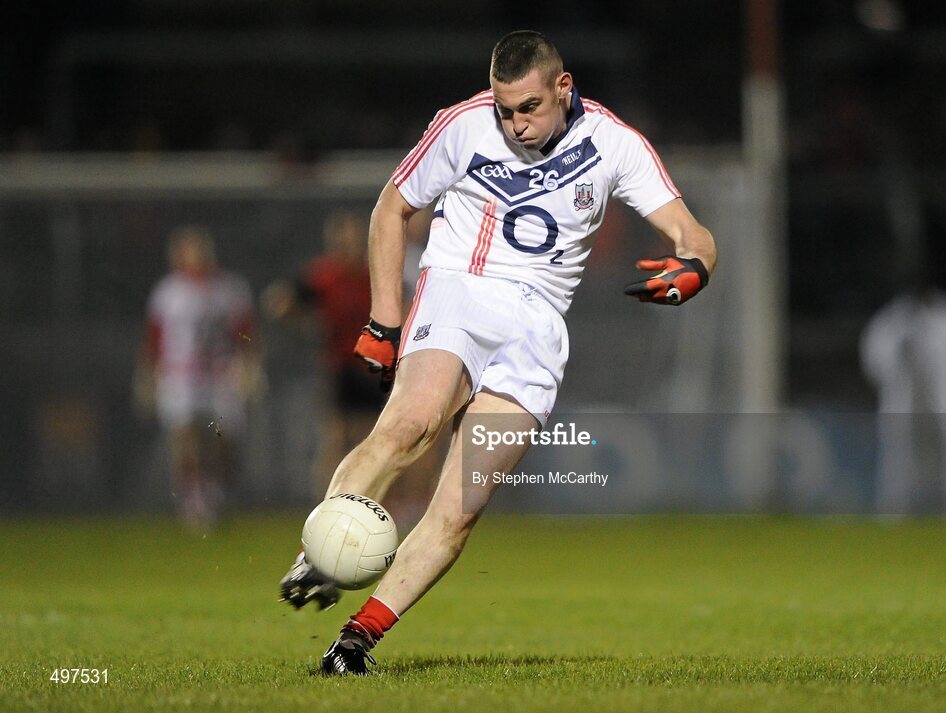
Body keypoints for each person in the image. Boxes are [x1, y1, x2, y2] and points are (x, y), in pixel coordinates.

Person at [279, 30, 717, 675]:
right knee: (409, 425)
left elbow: (691, 231)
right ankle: (321, 551)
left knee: (459, 509)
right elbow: (391, 209)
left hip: (537, 329)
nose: (515, 124)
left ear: (563, 88)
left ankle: (354, 644)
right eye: (505, 109)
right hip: (459, 291)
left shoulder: (613, 143)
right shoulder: (461, 126)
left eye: (529, 108)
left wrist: (694, 270)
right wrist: (384, 319)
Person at [135, 226, 262, 529]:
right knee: (185, 436)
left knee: (222, 438)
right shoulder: (168, 291)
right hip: (180, 376)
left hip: (220, 375)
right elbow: (154, 338)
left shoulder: (229, 289)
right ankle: (193, 497)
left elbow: (245, 332)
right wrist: (147, 375)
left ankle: (215, 490)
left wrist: (249, 364)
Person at [261, 212, 383, 497]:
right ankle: (328, 501)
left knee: (369, 439)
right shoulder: (324, 276)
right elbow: (279, 302)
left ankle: (366, 499)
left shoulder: (373, 271)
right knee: (336, 437)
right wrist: (303, 322)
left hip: (373, 366)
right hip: (339, 365)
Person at [860, 273, 946, 513]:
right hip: (903, 397)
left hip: (944, 398)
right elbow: (873, 356)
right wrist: (896, 362)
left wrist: (937, 366)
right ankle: (894, 509)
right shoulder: (892, 319)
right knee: (897, 455)